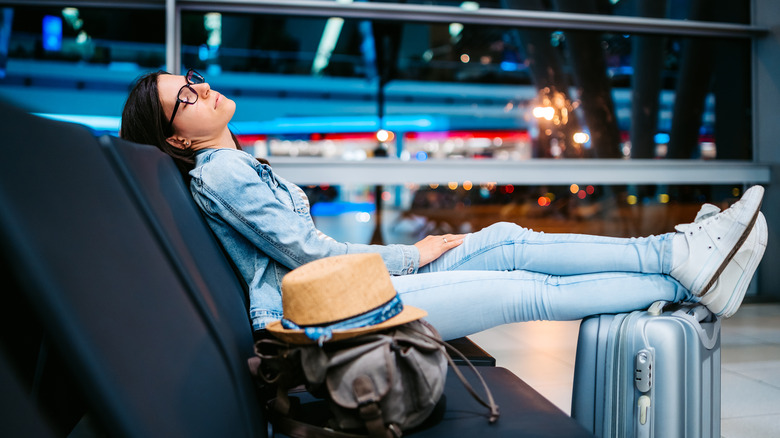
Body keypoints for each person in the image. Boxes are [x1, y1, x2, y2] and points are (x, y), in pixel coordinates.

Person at [120, 69, 768, 341]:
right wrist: (411, 253)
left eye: (195, 80)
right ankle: (683, 269)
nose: (202, 90)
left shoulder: (233, 164)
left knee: (509, 237)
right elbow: (308, 255)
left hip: (349, 290)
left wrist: (409, 255)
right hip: (337, 313)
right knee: (523, 286)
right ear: (177, 136)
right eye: (186, 98)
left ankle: (679, 255)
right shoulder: (223, 172)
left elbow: (308, 253)